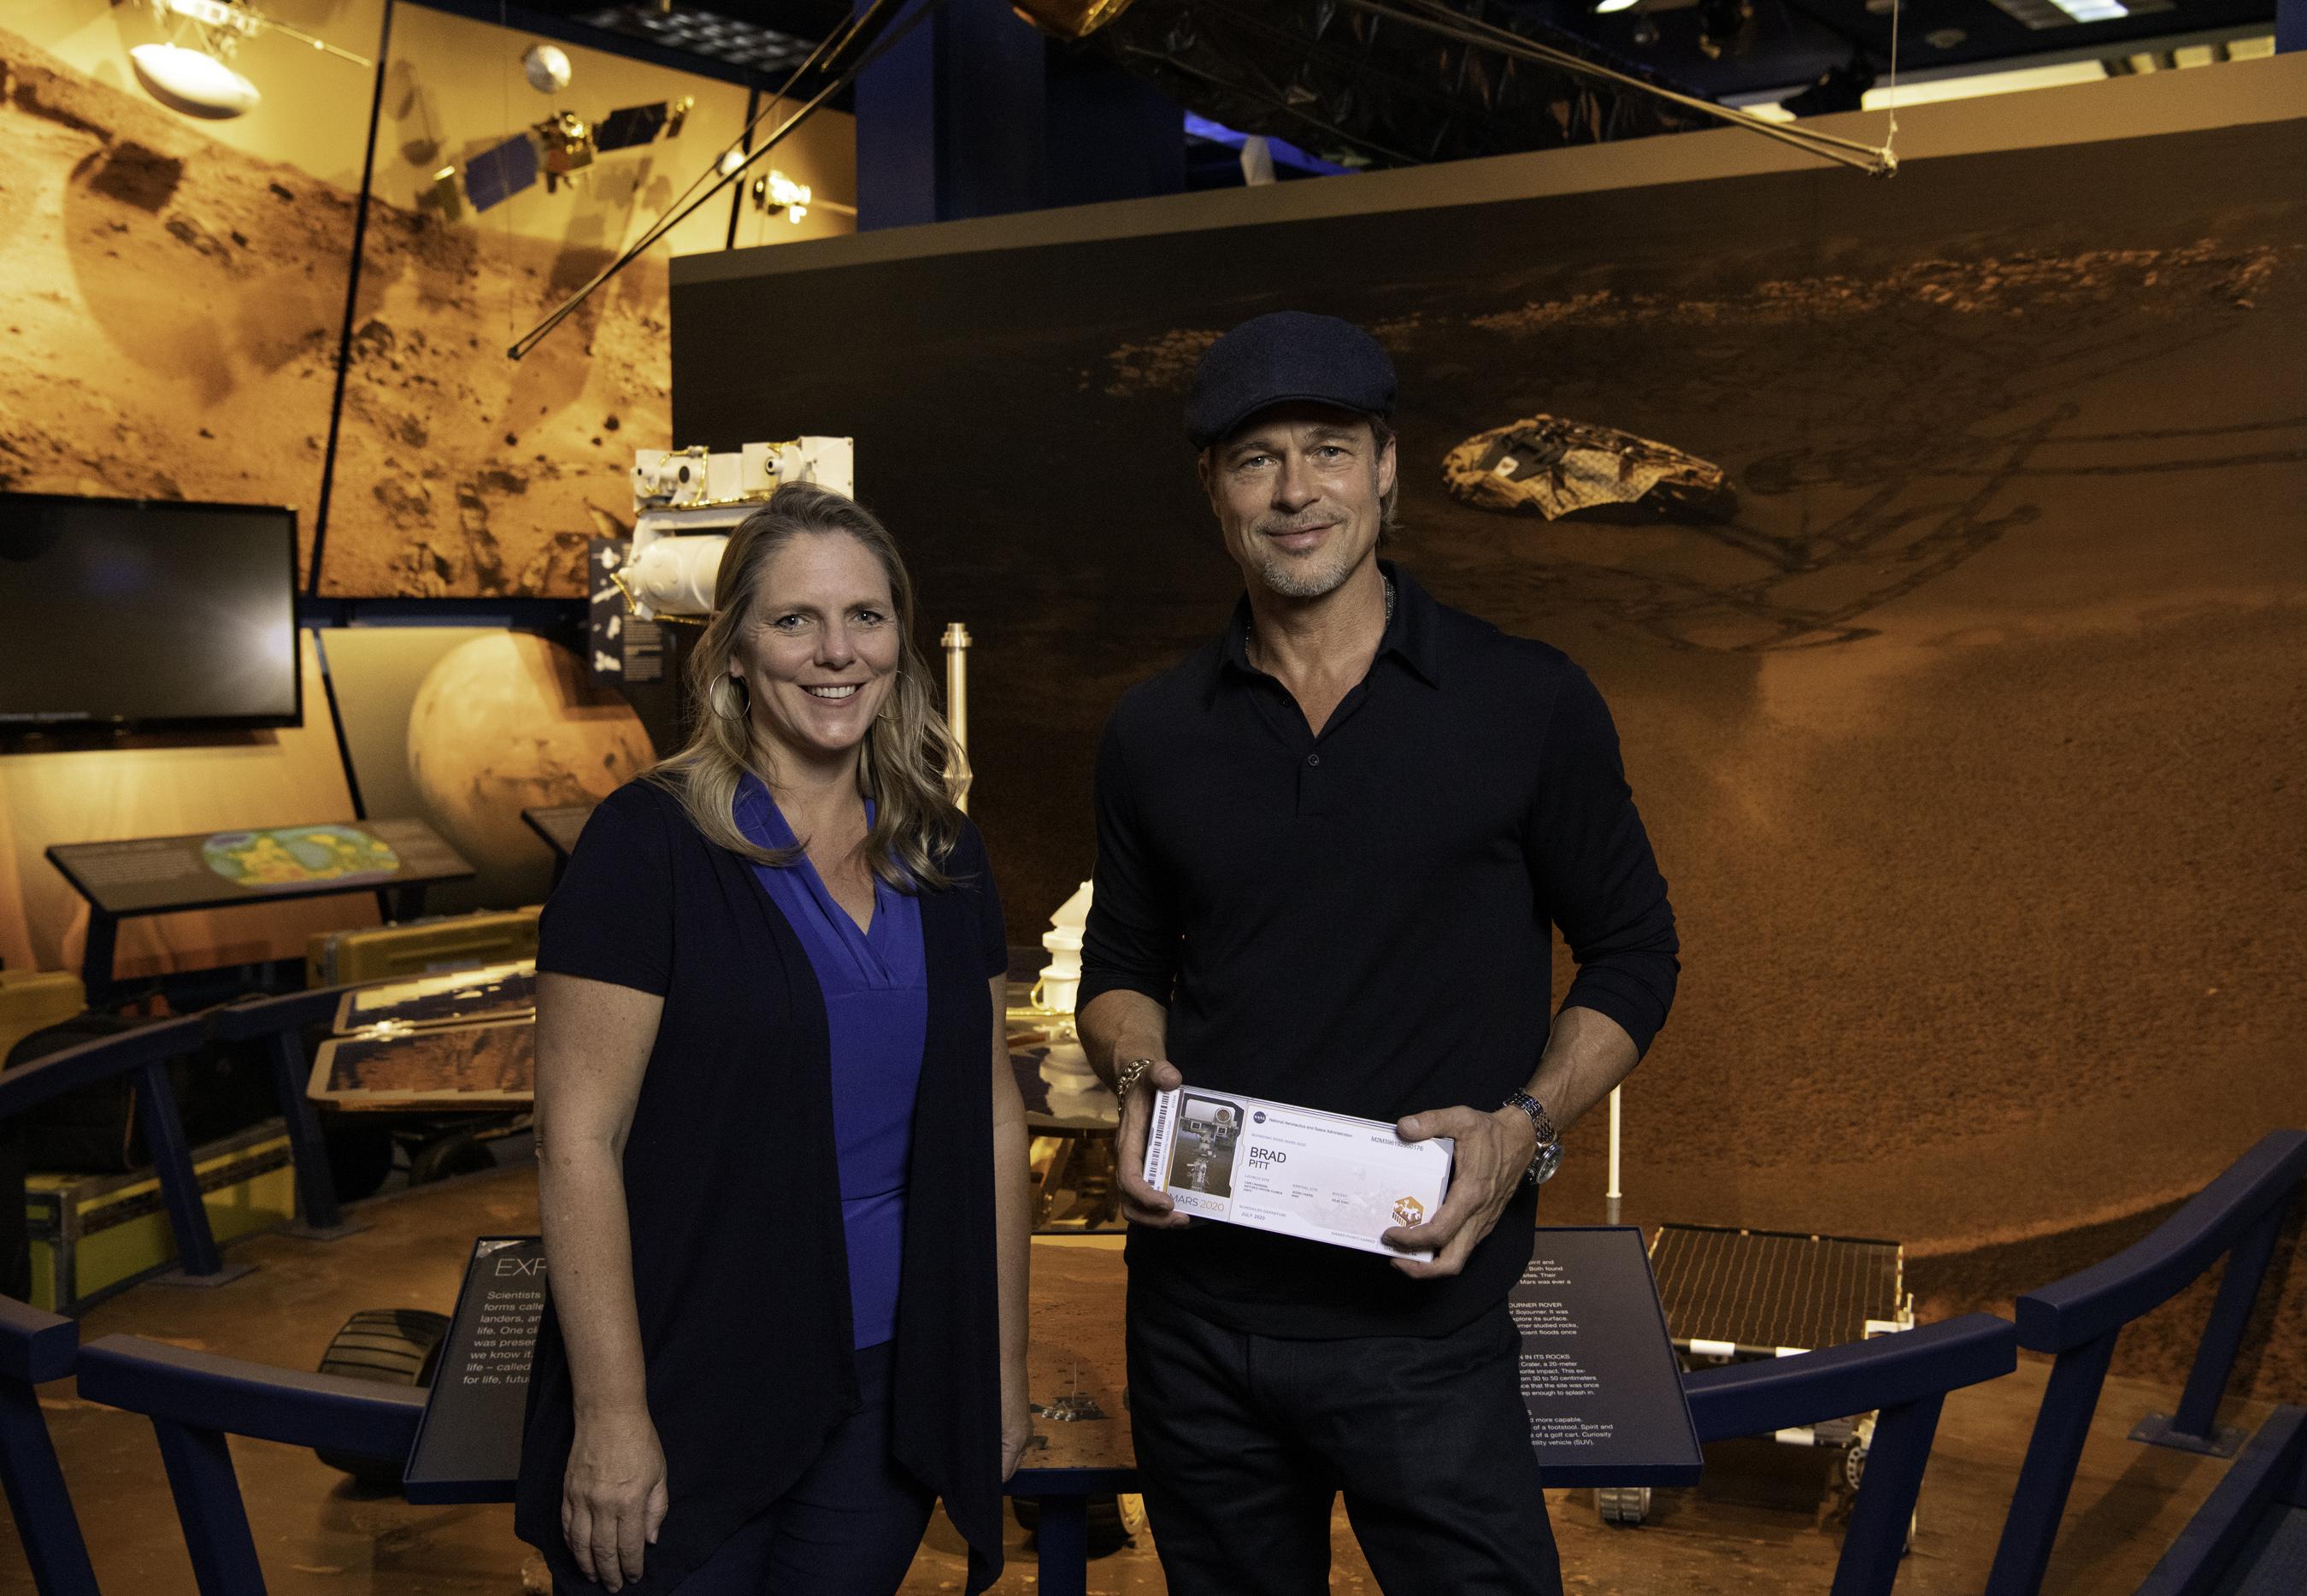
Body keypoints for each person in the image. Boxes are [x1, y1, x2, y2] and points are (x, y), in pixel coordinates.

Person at [1078, 311, 1680, 1595]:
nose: (1296, 491)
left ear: (1388, 468)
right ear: (1212, 488)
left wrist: (1526, 1122)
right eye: (1256, 460)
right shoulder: (1152, 731)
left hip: (1427, 1324)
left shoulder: (1526, 700)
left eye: (1329, 450)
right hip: (1196, 1323)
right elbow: (1119, 966)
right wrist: (1136, 1077)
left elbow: (1634, 952)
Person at [520, 482, 1031, 1596]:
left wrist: (994, 1371)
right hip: (694, 1368)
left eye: (867, 616)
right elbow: (577, 1143)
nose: (836, 651)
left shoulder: (943, 854)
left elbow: (994, 1120)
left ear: (900, 635)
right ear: (737, 650)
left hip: (891, 1385)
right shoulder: (644, 847)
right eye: (796, 619)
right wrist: (611, 1416)